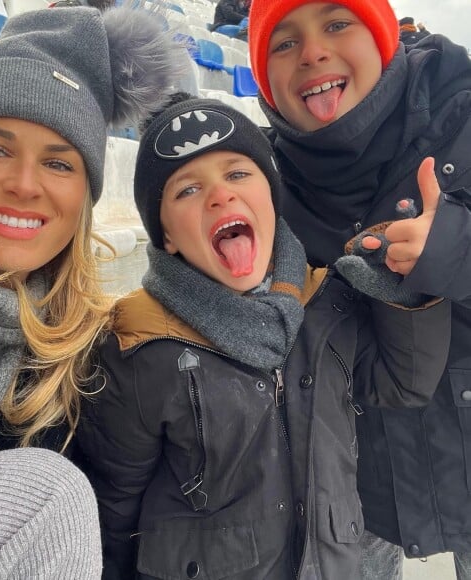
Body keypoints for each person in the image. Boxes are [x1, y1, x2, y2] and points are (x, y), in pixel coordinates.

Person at [74, 94, 450, 579]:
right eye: (187, 190)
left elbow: (403, 384)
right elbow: (114, 504)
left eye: (237, 173)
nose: (219, 196)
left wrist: (404, 295)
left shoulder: (326, 302)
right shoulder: (137, 340)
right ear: (164, 234)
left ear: (271, 199)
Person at [0, 5, 185, 578]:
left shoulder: (58, 335)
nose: (24, 185)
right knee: (46, 498)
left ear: (85, 195)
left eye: (58, 162)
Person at [247, 0, 471, 578]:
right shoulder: (264, 180)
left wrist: (450, 247)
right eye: (284, 42)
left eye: (337, 23)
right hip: (364, 479)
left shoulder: (462, 111)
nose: (314, 51)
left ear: (381, 36)